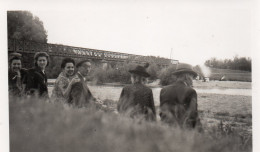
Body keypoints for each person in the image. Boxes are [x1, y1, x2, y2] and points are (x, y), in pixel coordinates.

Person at [159, 63, 202, 129]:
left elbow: (162, 113)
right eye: (192, 76)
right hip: (182, 132)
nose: (192, 79)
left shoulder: (164, 90)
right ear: (187, 76)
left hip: (166, 130)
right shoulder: (191, 92)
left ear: (177, 76)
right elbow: (193, 116)